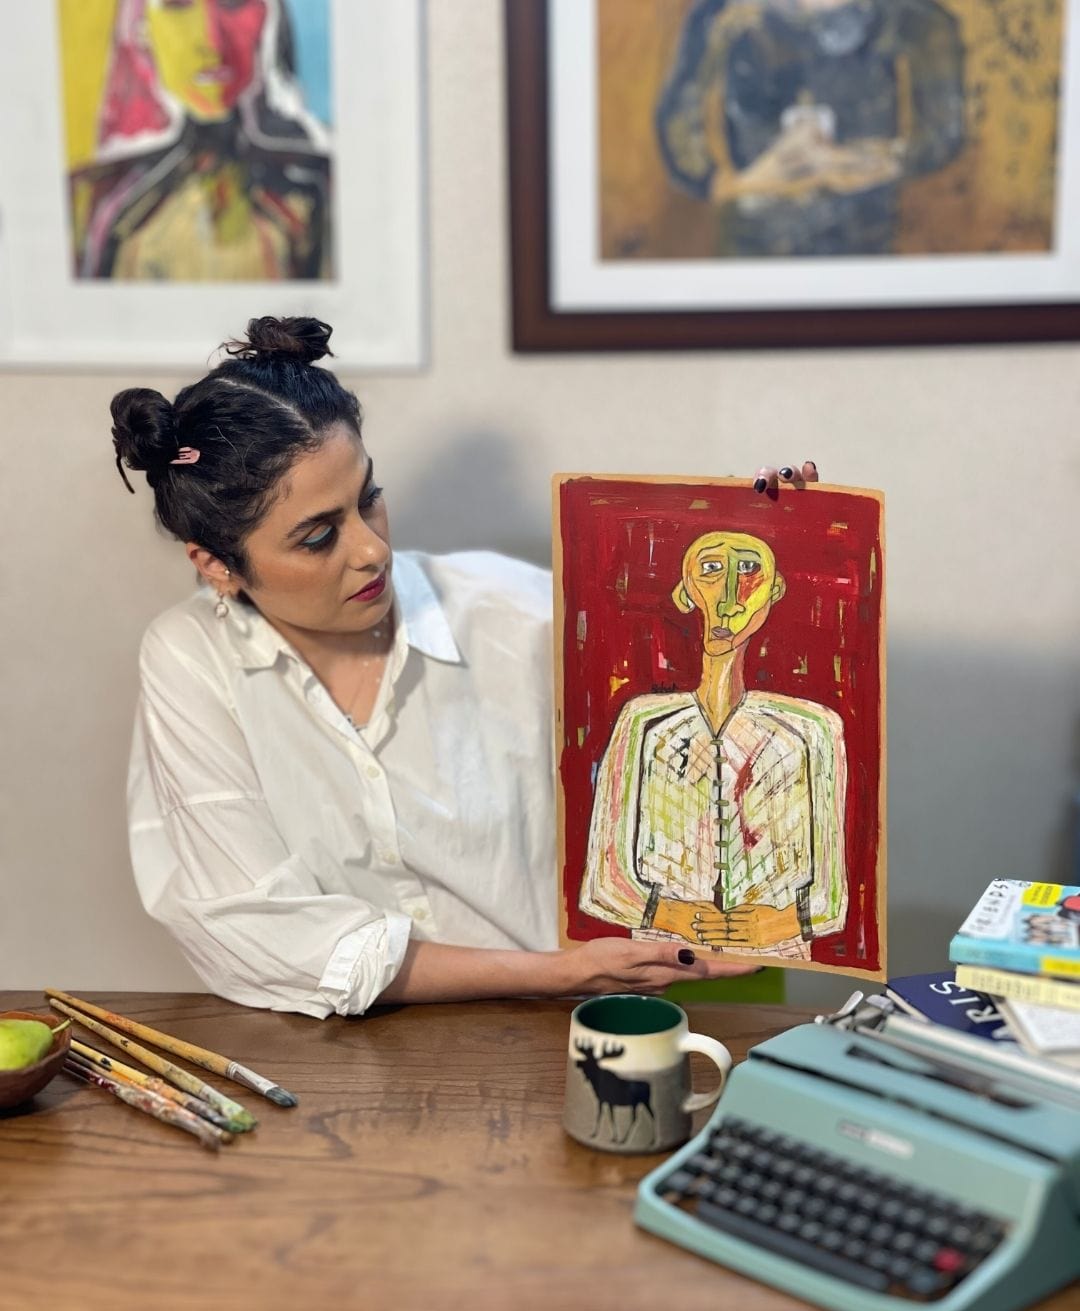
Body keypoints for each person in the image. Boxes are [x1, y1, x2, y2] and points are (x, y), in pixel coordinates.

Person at [111, 316, 765, 1018]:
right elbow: (254, 928)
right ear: (215, 565)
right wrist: (555, 971)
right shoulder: (190, 658)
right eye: (320, 536)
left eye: (368, 499)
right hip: (351, 1065)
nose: (371, 551)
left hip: (573, 1029)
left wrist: (787, 530)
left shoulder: (521, 615)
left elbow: (717, 735)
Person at [580, 530, 848, 959]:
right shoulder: (644, 722)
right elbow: (603, 879)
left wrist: (781, 922)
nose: (729, 597)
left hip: (778, 960)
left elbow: (832, 894)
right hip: (661, 959)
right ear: (685, 592)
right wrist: (669, 915)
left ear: (774, 590)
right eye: (710, 570)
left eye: (748, 570)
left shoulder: (813, 728)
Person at [654, 0, 965, 257]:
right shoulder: (723, 16)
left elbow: (944, 133)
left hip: (866, 243)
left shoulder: (909, 19)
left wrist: (874, 162)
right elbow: (676, 124)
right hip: (751, 244)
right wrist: (745, 183)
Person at [70, 0, 331, 280]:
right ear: (141, 29)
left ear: (268, 18)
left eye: (234, 3)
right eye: (177, 4)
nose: (211, 41)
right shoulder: (91, 203)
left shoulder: (318, 193)